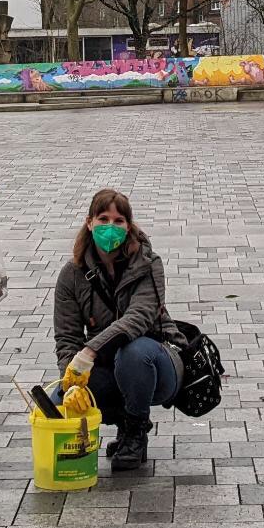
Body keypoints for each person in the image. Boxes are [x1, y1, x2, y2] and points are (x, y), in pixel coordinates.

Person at [52, 188, 184, 472]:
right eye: (102, 219)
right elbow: (66, 337)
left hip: (156, 361)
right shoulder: (71, 275)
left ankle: (136, 431)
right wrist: (71, 377)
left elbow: (139, 318)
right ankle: (125, 422)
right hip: (107, 363)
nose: (109, 227)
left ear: (129, 226)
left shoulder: (149, 264)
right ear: (89, 223)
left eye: (118, 221)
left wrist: (89, 351)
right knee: (60, 399)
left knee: (133, 353)